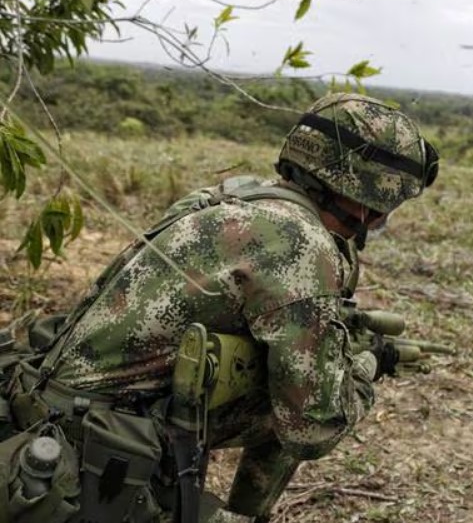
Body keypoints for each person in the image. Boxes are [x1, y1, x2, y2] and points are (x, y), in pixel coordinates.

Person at [0, 92, 439, 523]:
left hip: (46, 408)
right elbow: (312, 428)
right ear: (369, 196)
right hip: (95, 458)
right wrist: (365, 365)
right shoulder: (301, 244)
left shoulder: (225, 198)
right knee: (302, 398)